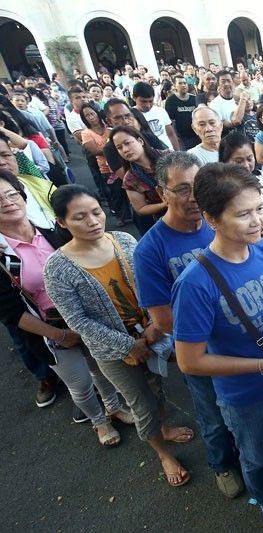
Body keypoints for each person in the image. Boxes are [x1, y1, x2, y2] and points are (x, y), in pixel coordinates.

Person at [172, 164, 263, 532]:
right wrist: (261, 366)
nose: (257, 220)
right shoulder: (194, 283)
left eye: (258, 208)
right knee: (254, 454)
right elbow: (190, 360)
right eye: (243, 214)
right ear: (211, 218)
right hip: (242, 392)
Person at [43, 184, 194, 487]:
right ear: (62, 223)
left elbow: (154, 285)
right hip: (112, 351)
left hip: (152, 335)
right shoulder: (57, 268)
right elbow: (78, 322)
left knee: (158, 387)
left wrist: (154, 326)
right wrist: (130, 345)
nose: (93, 221)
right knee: (140, 403)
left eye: (96, 212)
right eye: (80, 217)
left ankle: (163, 428)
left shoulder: (124, 240)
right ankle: (162, 452)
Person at [132, 151, 243, 498]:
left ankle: (250, 450)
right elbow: (163, 319)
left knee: (244, 406)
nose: (193, 196)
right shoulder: (150, 249)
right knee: (211, 415)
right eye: (181, 189)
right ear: (162, 192)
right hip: (200, 352)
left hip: (239, 341)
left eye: (198, 186)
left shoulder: (218, 224)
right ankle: (222, 464)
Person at [0, 170, 132, 446]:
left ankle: (113, 407)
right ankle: (98, 421)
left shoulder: (52, 232)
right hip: (51, 331)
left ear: (23, 196)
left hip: (86, 317)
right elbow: (11, 313)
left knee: (102, 368)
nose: (8, 202)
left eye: (11, 194)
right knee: (80, 383)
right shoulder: (3, 257)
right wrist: (58, 335)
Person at [219, 132, 263, 238]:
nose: (246, 165)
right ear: (225, 162)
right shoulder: (222, 190)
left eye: (250, 159)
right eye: (239, 161)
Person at [110, 125, 167, 234]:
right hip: (165, 221)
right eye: (119, 147)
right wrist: (165, 203)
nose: (125, 150)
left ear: (140, 141)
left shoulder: (168, 156)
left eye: (127, 143)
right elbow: (141, 208)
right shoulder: (130, 179)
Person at [131, 82, 179, 151]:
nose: (148, 105)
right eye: (143, 101)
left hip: (169, 152)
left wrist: (177, 152)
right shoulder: (130, 116)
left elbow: (171, 134)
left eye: (150, 101)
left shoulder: (160, 111)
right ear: (134, 97)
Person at [164, 74, 200, 150]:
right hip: (182, 138)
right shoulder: (170, 101)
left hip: (197, 135)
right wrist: (175, 137)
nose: (183, 85)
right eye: (180, 83)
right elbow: (170, 121)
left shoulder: (194, 98)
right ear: (174, 86)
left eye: (185, 83)